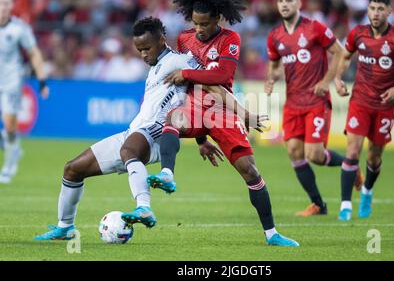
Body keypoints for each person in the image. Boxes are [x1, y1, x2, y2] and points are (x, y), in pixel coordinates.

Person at [35, 16, 258, 240]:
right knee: (73, 169)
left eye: (147, 48)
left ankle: (144, 207)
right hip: (135, 131)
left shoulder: (179, 60)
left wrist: (243, 113)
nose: (143, 54)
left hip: (158, 131)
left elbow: (213, 87)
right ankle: (65, 227)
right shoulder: (154, 67)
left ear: (162, 40)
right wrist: (202, 142)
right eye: (139, 49)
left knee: (129, 151)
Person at [148, 0, 299, 247]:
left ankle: (272, 234)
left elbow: (221, 76)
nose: (199, 29)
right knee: (172, 117)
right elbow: (190, 83)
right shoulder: (184, 39)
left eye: (204, 24)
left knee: (250, 171)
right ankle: (167, 174)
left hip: (222, 108)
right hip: (194, 106)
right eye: (194, 23)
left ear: (218, 18)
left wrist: (185, 72)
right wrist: (201, 140)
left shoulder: (231, 39)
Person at [265, 0, 364, 217]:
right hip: (292, 103)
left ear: (299, 3)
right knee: (293, 151)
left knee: (315, 155)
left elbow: (340, 52)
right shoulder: (275, 36)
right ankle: (318, 204)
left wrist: (327, 80)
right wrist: (271, 78)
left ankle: (349, 163)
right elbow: (275, 65)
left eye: (289, 0)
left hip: (316, 101)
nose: (284, 4)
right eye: (280, 1)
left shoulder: (315, 28)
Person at [334, 0, 394, 221]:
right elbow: (345, 56)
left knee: (374, 157)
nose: (375, 13)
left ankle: (367, 192)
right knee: (352, 151)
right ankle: (345, 205)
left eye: (380, 9)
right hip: (360, 101)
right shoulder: (358, 33)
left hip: (385, 104)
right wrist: (338, 78)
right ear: (368, 10)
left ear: (389, 12)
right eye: (372, 8)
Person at [0, 0, 49, 184]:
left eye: (6, 4)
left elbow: (34, 53)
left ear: (11, 5)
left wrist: (42, 80)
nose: (3, 8)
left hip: (11, 80)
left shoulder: (19, 28)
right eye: (1, 4)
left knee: (10, 125)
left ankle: (9, 164)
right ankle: (13, 149)